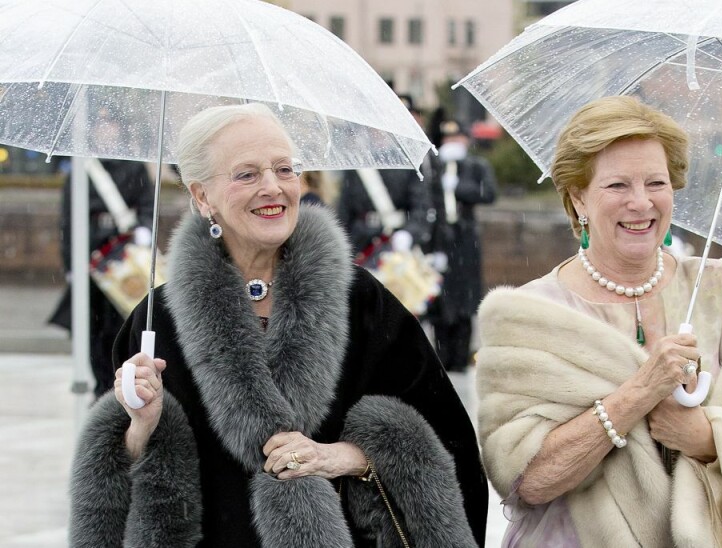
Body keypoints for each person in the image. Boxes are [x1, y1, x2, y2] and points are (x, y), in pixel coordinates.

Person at [68, 103, 487, 547]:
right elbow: (113, 490)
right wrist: (141, 423)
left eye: (284, 169)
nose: (273, 187)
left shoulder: (362, 301)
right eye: (246, 174)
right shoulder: (158, 321)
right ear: (202, 196)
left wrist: (338, 458)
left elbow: (447, 442)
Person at [475, 96, 722, 547]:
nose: (641, 202)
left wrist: (705, 436)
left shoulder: (718, 292)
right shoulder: (526, 317)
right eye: (617, 186)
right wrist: (639, 393)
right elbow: (527, 482)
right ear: (577, 197)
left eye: (656, 182)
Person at [49, 107, 154, 397]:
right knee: (92, 334)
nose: (105, 130)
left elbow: (148, 205)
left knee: (127, 326)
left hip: (126, 258)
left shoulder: (134, 167)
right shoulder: (82, 169)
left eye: (110, 123)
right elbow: (69, 221)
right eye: (100, 124)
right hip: (92, 259)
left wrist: (144, 230)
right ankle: (101, 391)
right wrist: (71, 264)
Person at [426, 119, 497, 372]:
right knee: (441, 300)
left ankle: (461, 355)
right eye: (448, 140)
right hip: (440, 239)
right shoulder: (434, 166)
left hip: (465, 239)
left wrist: (459, 188)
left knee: (466, 299)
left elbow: (488, 193)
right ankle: (442, 355)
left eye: (457, 139)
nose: (452, 144)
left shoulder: (476, 166)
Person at [336, 95, 433, 260]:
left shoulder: (409, 163)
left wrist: (409, 233)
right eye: (374, 127)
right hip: (362, 244)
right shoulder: (357, 164)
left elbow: (421, 207)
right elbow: (344, 211)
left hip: (399, 242)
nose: (377, 132)